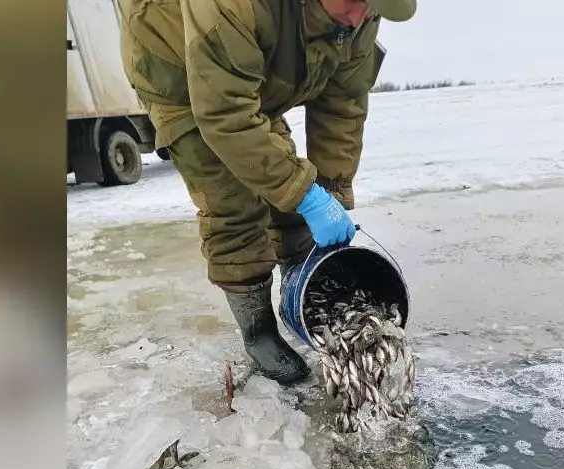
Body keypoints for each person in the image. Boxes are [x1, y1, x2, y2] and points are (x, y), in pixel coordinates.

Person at [118, 0, 416, 384]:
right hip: (177, 66)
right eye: (356, 1)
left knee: (293, 188)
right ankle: (258, 333)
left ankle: (300, 291)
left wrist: (329, 195)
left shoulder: (361, 15)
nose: (359, 18)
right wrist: (304, 194)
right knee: (233, 203)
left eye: (371, 8)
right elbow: (226, 114)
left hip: (252, 73)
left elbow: (343, 107)